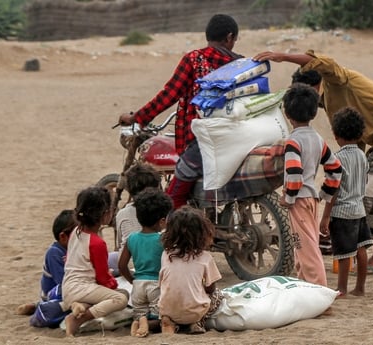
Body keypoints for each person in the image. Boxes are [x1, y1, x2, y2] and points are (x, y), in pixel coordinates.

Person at [253, 50, 373, 273]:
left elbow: (323, 62)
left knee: (369, 192)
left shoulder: (336, 81)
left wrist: (282, 56)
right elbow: (353, 146)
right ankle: (371, 252)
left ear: (316, 85)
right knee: (369, 190)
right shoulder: (329, 105)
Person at [118, 14, 242, 209]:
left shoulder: (194, 59)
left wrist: (138, 117)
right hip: (237, 138)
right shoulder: (242, 64)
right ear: (229, 37)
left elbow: (169, 95)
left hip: (202, 140)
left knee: (172, 199)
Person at [279, 83, 342, 287]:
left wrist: (288, 198)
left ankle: (320, 294)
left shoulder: (292, 142)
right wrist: (324, 194)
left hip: (298, 200)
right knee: (304, 244)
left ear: (287, 114)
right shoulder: (317, 139)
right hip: (312, 197)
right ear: (314, 113)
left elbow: (294, 174)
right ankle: (304, 287)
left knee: (306, 248)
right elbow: (335, 168)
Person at [61, 186, 129, 336]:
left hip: (68, 286)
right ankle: (77, 319)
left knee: (104, 293)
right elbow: (103, 277)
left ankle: (80, 306)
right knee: (121, 298)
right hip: (82, 287)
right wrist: (114, 284)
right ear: (105, 215)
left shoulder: (75, 232)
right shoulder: (97, 243)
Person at [320, 107, 373, 297]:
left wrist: (325, 216)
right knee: (361, 249)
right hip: (359, 210)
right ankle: (360, 287)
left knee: (343, 254)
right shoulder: (362, 156)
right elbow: (365, 181)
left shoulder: (338, 159)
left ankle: (341, 288)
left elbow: (333, 189)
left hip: (342, 212)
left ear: (336, 134)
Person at [117, 188, 173, 337]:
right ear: (162, 221)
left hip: (138, 285)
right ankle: (147, 323)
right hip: (156, 284)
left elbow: (121, 266)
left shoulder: (132, 239)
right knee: (162, 316)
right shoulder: (163, 240)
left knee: (140, 311)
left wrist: (132, 280)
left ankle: (139, 320)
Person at [159, 206, 223, 334]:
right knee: (218, 295)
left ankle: (168, 321)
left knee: (162, 297)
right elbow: (211, 289)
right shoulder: (205, 257)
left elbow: (163, 283)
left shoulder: (166, 254)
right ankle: (197, 322)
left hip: (168, 309)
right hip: (195, 312)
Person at [16, 209, 77, 328]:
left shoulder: (76, 249)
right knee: (54, 311)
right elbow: (65, 284)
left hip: (72, 289)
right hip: (58, 293)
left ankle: (36, 305)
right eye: (78, 233)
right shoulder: (54, 253)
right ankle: (39, 307)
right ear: (63, 237)